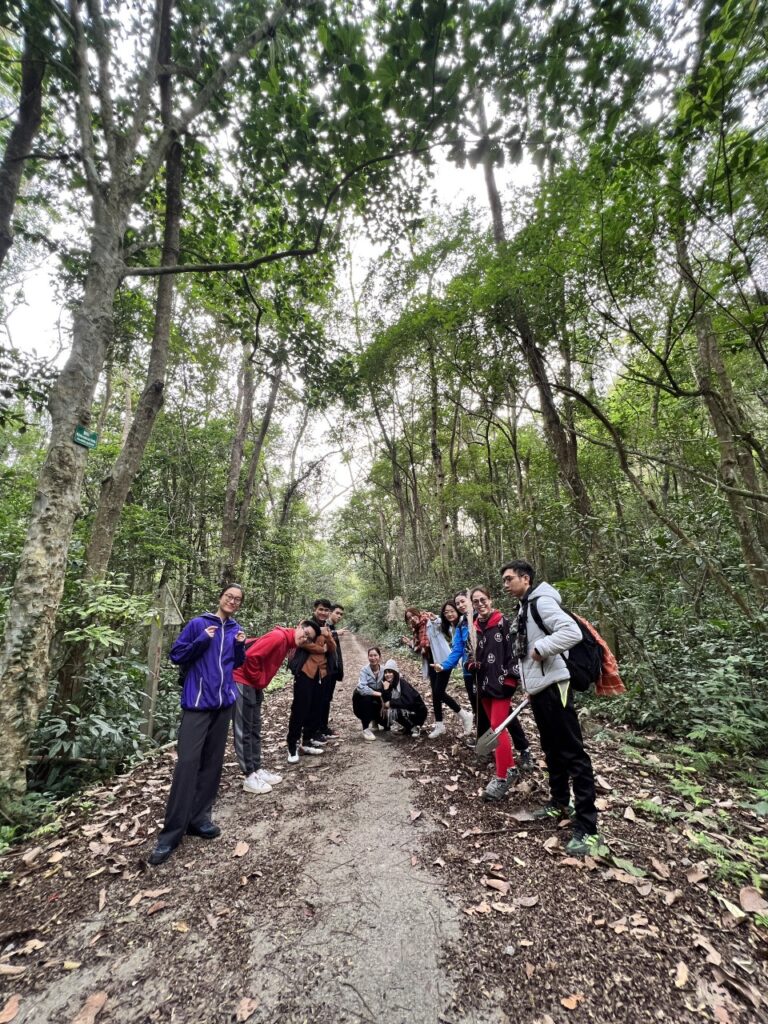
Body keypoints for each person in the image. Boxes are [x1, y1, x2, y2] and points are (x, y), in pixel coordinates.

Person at [501, 559, 604, 856]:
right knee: (551, 749)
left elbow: (570, 632)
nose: (506, 585)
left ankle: (588, 828)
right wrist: (530, 687)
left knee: (573, 752)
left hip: (556, 686)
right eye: (504, 580)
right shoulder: (524, 607)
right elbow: (525, 654)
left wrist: (543, 648)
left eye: (510, 579)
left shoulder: (542, 603)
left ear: (526, 579)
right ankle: (559, 801)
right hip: (540, 690)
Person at [148, 585, 247, 866]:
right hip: (197, 703)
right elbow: (177, 656)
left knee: (212, 763)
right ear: (220, 598)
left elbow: (236, 664)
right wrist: (202, 640)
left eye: (238, 599)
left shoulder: (235, 629)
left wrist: (239, 646)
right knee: (187, 763)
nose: (232, 601)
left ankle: (199, 819)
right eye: (229, 596)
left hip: (224, 704)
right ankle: (170, 834)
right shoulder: (198, 624)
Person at [435, 590, 532, 769]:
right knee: (481, 714)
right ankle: (487, 749)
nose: (461, 606)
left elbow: (510, 650)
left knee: (503, 716)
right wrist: (448, 665)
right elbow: (459, 650)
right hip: (474, 676)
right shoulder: (464, 624)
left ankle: (522, 748)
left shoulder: (492, 620)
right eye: (458, 604)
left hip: (498, 677)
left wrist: (512, 677)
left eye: (463, 602)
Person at [232, 620, 317, 794]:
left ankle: (257, 769)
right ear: (299, 625)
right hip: (242, 681)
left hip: (254, 684)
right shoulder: (278, 637)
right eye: (305, 633)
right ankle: (249, 775)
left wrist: (258, 683)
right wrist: (259, 680)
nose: (305, 639)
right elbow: (251, 657)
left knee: (255, 727)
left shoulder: (288, 642)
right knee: (244, 729)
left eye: (309, 639)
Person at [468, 586, 520, 802]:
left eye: (483, 600)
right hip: (483, 685)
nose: (480, 604)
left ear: (490, 599)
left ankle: (503, 775)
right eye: (476, 601)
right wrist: (472, 664)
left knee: (498, 729)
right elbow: (469, 652)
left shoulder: (503, 623)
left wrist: (511, 678)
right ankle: (508, 768)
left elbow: (514, 651)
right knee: (494, 728)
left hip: (501, 683)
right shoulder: (474, 627)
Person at [401, 606, 473, 739]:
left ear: (418, 613)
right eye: (408, 618)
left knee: (438, 692)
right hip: (431, 663)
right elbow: (419, 651)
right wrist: (410, 644)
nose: (411, 619)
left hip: (443, 661)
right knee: (435, 694)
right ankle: (440, 725)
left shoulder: (430, 622)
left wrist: (436, 618)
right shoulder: (416, 631)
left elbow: (443, 625)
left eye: (412, 615)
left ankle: (464, 715)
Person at [286, 614, 336, 762]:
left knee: (316, 707)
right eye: (320, 609)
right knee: (300, 709)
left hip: (321, 673)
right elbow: (303, 643)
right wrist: (322, 649)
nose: (323, 612)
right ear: (316, 609)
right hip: (305, 672)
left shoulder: (326, 628)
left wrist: (328, 636)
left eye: (326, 610)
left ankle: (306, 741)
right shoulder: (306, 625)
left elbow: (332, 648)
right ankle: (292, 745)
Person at [380, 658, 427, 735]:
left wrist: (391, 703)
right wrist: (385, 690)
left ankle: (415, 728)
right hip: (408, 711)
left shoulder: (402, 683)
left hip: (418, 712)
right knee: (391, 709)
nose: (387, 675)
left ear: (395, 673)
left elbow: (408, 701)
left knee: (395, 710)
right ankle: (408, 727)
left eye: (390, 672)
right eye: (385, 672)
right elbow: (386, 702)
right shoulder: (388, 684)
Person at [320, 603, 345, 737]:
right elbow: (320, 638)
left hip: (332, 669)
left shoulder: (331, 627)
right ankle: (320, 729)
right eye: (337, 613)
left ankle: (323, 728)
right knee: (322, 699)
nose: (339, 616)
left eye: (341, 614)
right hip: (324, 669)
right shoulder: (324, 626)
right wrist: (335, 633)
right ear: (330, 612)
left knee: (327, 699)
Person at [353, 646, 385, 740]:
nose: (373, 658)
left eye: (375, 655)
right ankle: (366, 728)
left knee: (387, 725)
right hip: (364, 697)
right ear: (368, 657)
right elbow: (362, 688)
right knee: (366, 698)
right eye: (370, 656)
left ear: (379, 657)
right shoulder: (364, 670)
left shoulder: (384, 670)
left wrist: (384, 696)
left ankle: (376, 720)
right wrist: (378, 694)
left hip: (379, 696)